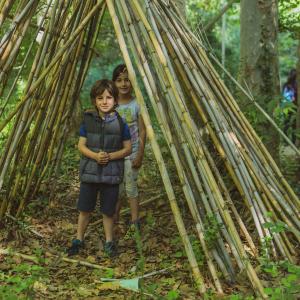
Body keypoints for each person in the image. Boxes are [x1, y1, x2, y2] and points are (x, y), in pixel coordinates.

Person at [67, 79, 132, 257]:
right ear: (94, 100)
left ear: (115, 100)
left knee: (108, 211)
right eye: (100, 98)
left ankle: (109, 242)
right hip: (90, 172)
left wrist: (110, 156)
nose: (104, 101)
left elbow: (128, 148)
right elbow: (81, 146)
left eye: (109, 97)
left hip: (111, 174)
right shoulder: (88, 121)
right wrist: (95, 156)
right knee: (85, 208)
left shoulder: (121, 123)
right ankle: (78, 239)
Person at [112, 64, 146, 234]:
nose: (123, 84)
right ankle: (115, 220)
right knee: (116, 188)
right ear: (113, 83)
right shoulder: (110, 104)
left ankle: (135, 220)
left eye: (127, 80)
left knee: (131, 187)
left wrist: (140, 153)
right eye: (119, 80)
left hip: (131, 153)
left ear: (133, 83)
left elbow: (142, 130)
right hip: (115, 154)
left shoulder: (136, 104)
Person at [282, 69, 297, 143]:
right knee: (293, 123)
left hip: (285, 106)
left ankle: (286, 141)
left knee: (286, 123)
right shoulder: (295, 85)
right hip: (293, 106)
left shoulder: (286, 84)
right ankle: (293, 141)